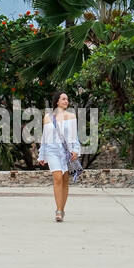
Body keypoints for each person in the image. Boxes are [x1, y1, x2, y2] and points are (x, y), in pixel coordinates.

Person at [35, 92, 80, 222]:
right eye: (64, 99)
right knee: (58, 177)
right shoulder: (48, 117)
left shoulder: (71, 116)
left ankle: (61, 209)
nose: (66, 101)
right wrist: (42, 155)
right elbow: (44, 138)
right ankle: (58, 211)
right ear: (57, 101)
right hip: (52, 151)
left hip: (66, 152)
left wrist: (76, 150)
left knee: (65, 180)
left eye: (67, 99)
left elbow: (74, 135)